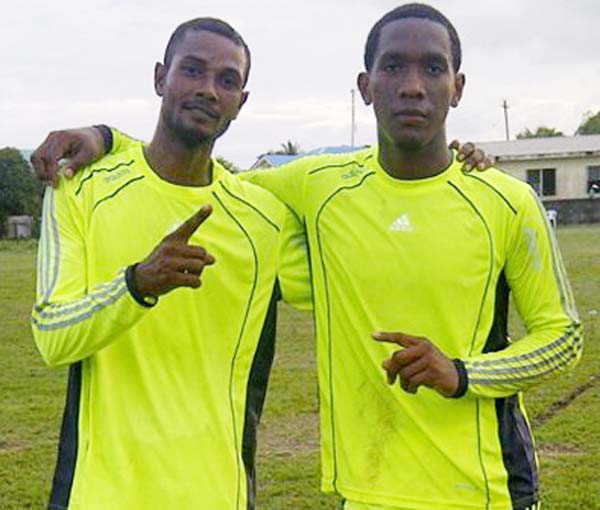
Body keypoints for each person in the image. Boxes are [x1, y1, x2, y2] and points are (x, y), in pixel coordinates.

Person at [30, 4, 571, 510]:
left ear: (457, 87)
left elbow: (563, 335)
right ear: (366, 86)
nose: (412, 87)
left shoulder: (503, 199)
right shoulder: (313, 189)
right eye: (393, 68)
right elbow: (193, 173)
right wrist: (108, 141)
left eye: (433, 69)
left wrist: (463, 373)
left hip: (485, 489)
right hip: (355, 490)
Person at [31, 17, 311, 510]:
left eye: (227, 80)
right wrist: (136, 285)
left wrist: (465, 166)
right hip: (102, 495)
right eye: (192, 71)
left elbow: (353, 275)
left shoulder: (264, 219)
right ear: (160, 77)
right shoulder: (81, 187)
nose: (207, 89)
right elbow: (52, 335)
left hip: (215, 494)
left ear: (241, 103)